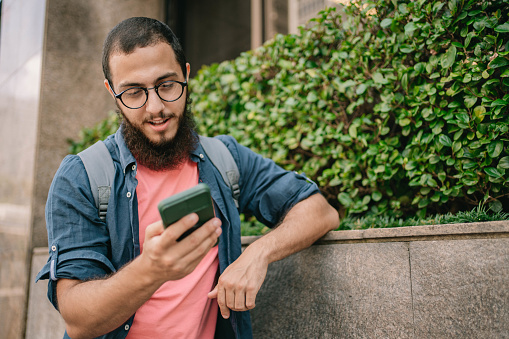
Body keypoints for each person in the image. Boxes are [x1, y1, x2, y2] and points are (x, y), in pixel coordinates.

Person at [36, 17, 339, 339]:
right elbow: (78, 319)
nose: (155, 108)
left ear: (187, 75)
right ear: (112, 91)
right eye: (134, 92)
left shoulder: (224, 159)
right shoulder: (81, 177)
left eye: (167, 85)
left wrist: (257, 254)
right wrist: (151, 270)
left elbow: (319, 210)